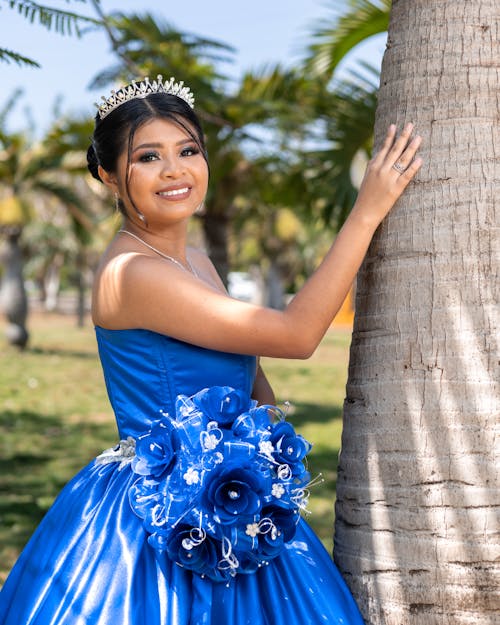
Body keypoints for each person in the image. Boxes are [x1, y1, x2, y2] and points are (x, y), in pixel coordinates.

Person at [0, 75, 422, 625]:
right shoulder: (133, 273)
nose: (174, 170)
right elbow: (296, 334)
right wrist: (367, 210)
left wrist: (264, 468)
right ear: (107, 175)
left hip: (233, 497)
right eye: (148, 156)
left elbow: (252, 376)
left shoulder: (195, 261)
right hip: (160, 517)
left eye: (188, 150)